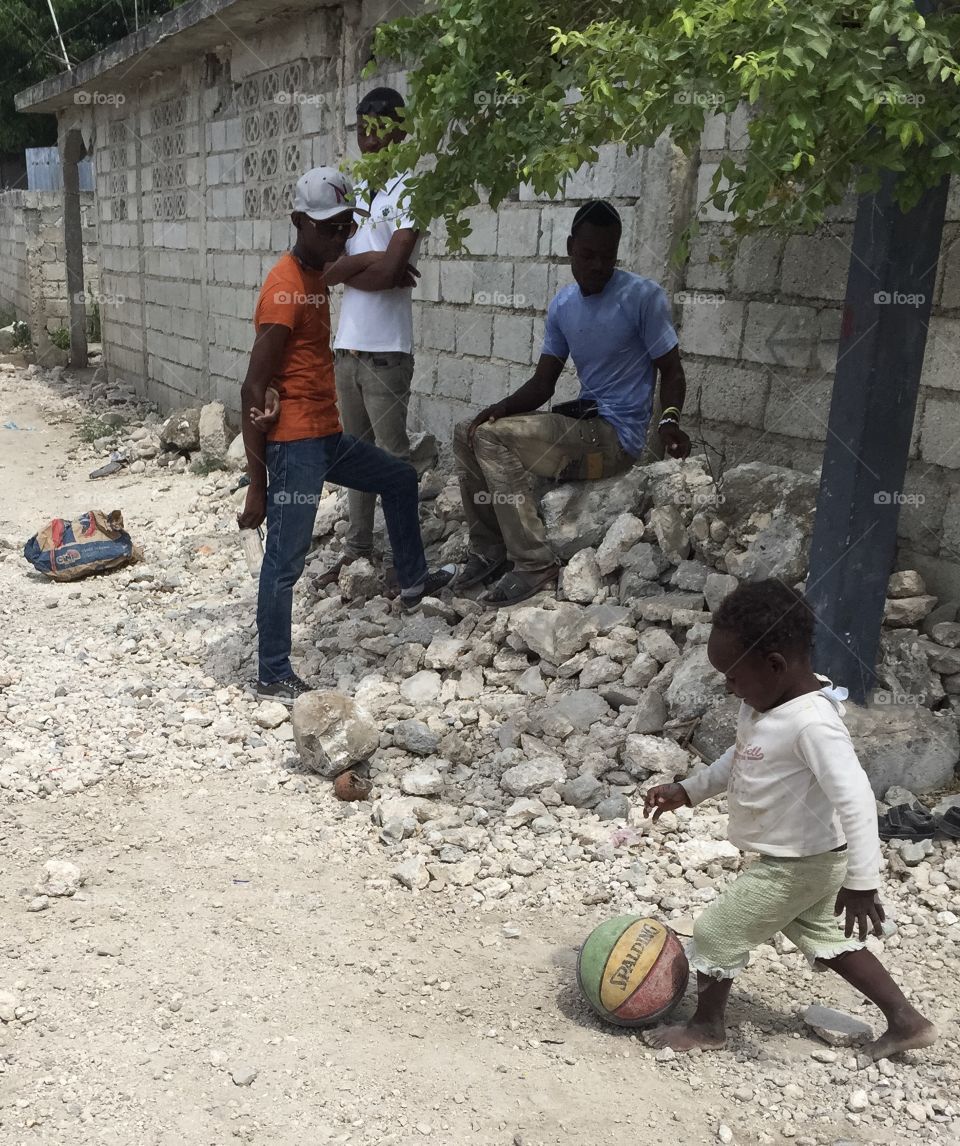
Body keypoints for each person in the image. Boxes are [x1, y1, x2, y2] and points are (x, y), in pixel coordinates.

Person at [642, 579, 937, 1059]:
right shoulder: (764, 705)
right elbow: (739, 759)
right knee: (823, 935)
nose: (727, 685)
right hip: (806, 859)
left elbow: (857, 799)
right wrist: (688, 790)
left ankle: (706, 1028)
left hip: (800, 863)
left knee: (718, 931)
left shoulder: (812, 724)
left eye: (733, 676)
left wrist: (863, 881)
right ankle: (907, 1021)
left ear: (775, 665)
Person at [237, 166, 453, 705]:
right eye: (328, 228)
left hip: (325, 435)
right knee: (285, 560)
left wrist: (369, 266)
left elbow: (366, 268)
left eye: (344, 227)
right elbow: (252, 387)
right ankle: (272, 671)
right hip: (295, 444)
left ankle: (413, 582)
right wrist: (258, 485)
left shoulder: (315, 275)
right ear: (299, 223)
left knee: (400, 478)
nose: (338, 236)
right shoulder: (286, 288)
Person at [453, 198, 690, 609]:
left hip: (616, 441)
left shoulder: (642, 297)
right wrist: (498, 408)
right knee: (468, 433)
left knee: (492, 441)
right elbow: (543, 383)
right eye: (587, 255)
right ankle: (489, 549)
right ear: (569, 248)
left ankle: (533, 564)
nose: (597, 265)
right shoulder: (563, 306)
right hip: (583, 425)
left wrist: (669, 420)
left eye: (607, 256)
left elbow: (671, 370)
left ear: (617, 252)